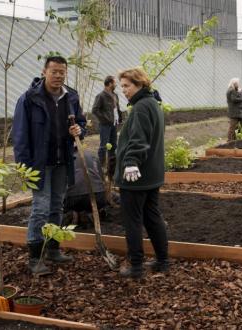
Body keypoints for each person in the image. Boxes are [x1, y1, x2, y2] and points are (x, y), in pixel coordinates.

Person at [12, 55, 86, 275]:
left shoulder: (71, 97)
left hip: (62, 162)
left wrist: (79, 131)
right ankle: (35, 257)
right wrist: (24, 169)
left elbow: (81, 122)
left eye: (62, 72)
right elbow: (20, 137)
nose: (58, 76)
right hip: (39, 165)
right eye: (54, 71)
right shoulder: (29, 99)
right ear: (44, 72)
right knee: (40, 208)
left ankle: (53, 249)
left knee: (57, 207)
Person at [115, 67, 169, 278]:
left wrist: (130, 161)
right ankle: (163, 261)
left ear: (139, 85)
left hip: (135, 176)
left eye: (127, 86)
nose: (124, 91)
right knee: (152, 216)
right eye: (122, 87)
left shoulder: (140, 108)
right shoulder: (154, 104)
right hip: (151, 175)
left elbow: (139, 140)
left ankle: (136, 266)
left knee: (133, 220)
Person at [63, 149, 108, 216]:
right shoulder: (93, 156)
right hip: (98, 196)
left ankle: (74, 213)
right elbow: (102, 179)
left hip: (74, 199)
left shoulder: (66, 158)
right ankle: (95, 212)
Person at [92, 76, 121, 172]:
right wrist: (105, 119)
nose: (116, 84)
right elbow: (95, 110)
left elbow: (117, 108)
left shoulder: (115, 95)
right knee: (103, 146)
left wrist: (119, 118)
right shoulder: (101, 96)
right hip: (105, 125)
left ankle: (111, 168)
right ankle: (101, 167)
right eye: (114, 82)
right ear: (109, 83)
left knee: (113, 145)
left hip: (114, 124)